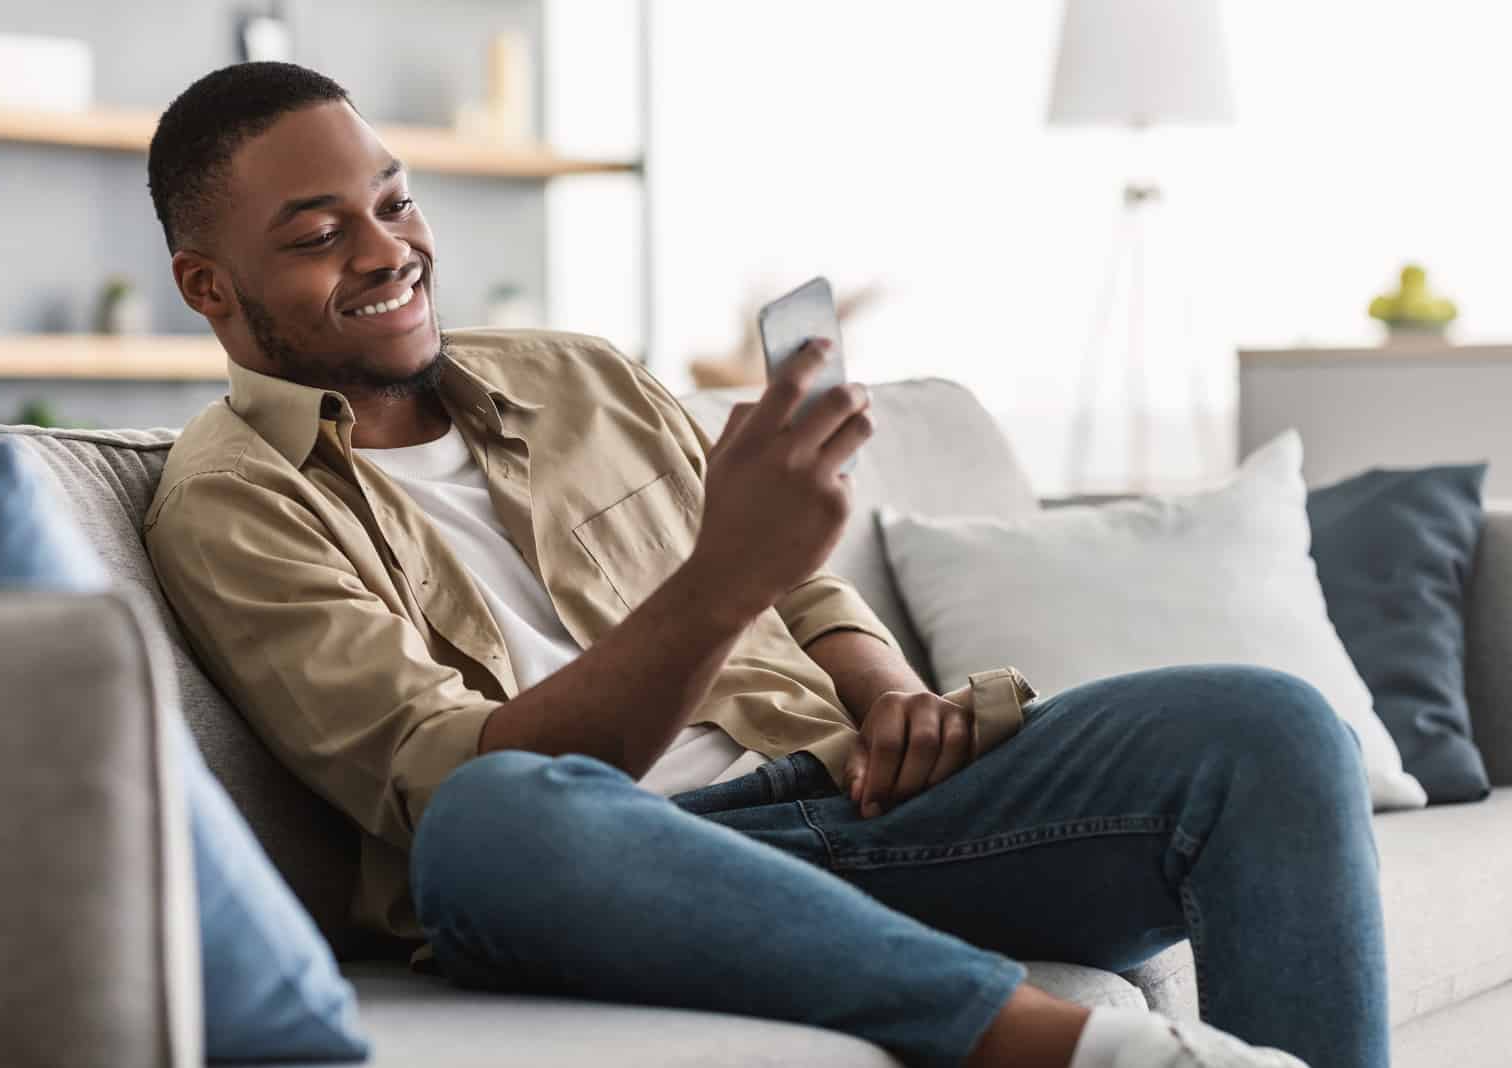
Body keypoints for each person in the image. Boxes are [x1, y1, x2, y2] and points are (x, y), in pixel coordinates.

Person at [142, 62, 1387, 1068]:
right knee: (492, 817)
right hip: (614, 873)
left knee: (1267, 726)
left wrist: (888, 691)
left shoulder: (581, 375)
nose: (386, 249)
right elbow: (446, 786)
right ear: (210, 285)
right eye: (318, 233)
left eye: (395, 201)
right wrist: (718, 582)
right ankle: (1071, 1051)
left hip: (858, 809)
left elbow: (796, 579)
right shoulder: (231, 502)